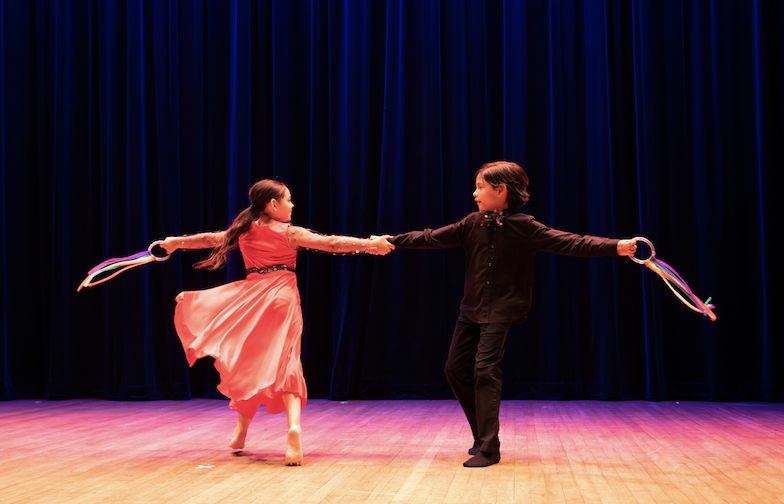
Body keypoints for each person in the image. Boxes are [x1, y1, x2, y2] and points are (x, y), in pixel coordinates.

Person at [389, 161, 637, 467]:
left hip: (501, 309)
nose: (475, 193)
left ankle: (490, 449)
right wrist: (390, 242)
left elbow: (572, 242)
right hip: (471, 309)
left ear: (500, 189)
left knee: (484, 370)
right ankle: (481, 436)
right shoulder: (472, 223)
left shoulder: (526, 227)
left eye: (480, 187)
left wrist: (618, 246)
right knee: (454, 369)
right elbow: (429, 237)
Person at [160, 179, 395, 466]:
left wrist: (174, 243)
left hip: (252, 299)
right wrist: (370, 245)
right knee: (287, 362)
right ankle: (291, 428)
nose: (293, 205)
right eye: (289, 200)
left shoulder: (242, 231)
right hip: (282, 298)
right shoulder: (289, 233)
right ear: (273, 205)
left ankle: (241, 434)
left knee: (250, 362)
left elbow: (208, 239)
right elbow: (331, 243)